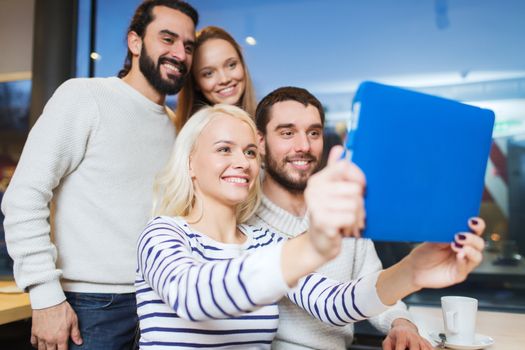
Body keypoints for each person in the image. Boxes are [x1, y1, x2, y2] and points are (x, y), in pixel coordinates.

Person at [136, 103, 485, 349]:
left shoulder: (265, 243)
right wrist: (314, 243)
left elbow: (335, 303)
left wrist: (413, 270)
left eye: (249, 152)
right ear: (190, 164)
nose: (241, 162)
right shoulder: (163, 233)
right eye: (224, 149)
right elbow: (195, 297)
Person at [1, 1, 198, 349]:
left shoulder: (175, 128)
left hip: (158, 305)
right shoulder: (84, 96)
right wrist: (46, 296)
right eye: (167, 39)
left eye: (188, 46)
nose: (179, 53)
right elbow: (24, 196)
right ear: (135, 42)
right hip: (87, 307)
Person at [249, 86, 434, 350]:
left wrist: (401, 323)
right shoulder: (244, 223)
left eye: (313, 133)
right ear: (260, 141)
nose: (303, 146)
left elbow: (374, 286)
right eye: (287, 133)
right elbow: (334, 302)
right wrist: (414, 270)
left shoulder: (344, 209)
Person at [175, 25, 257, 130]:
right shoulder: (194, 137)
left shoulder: (266, 125)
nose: (224, 79)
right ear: (195, 83)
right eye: (208, 73)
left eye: (231, 65)